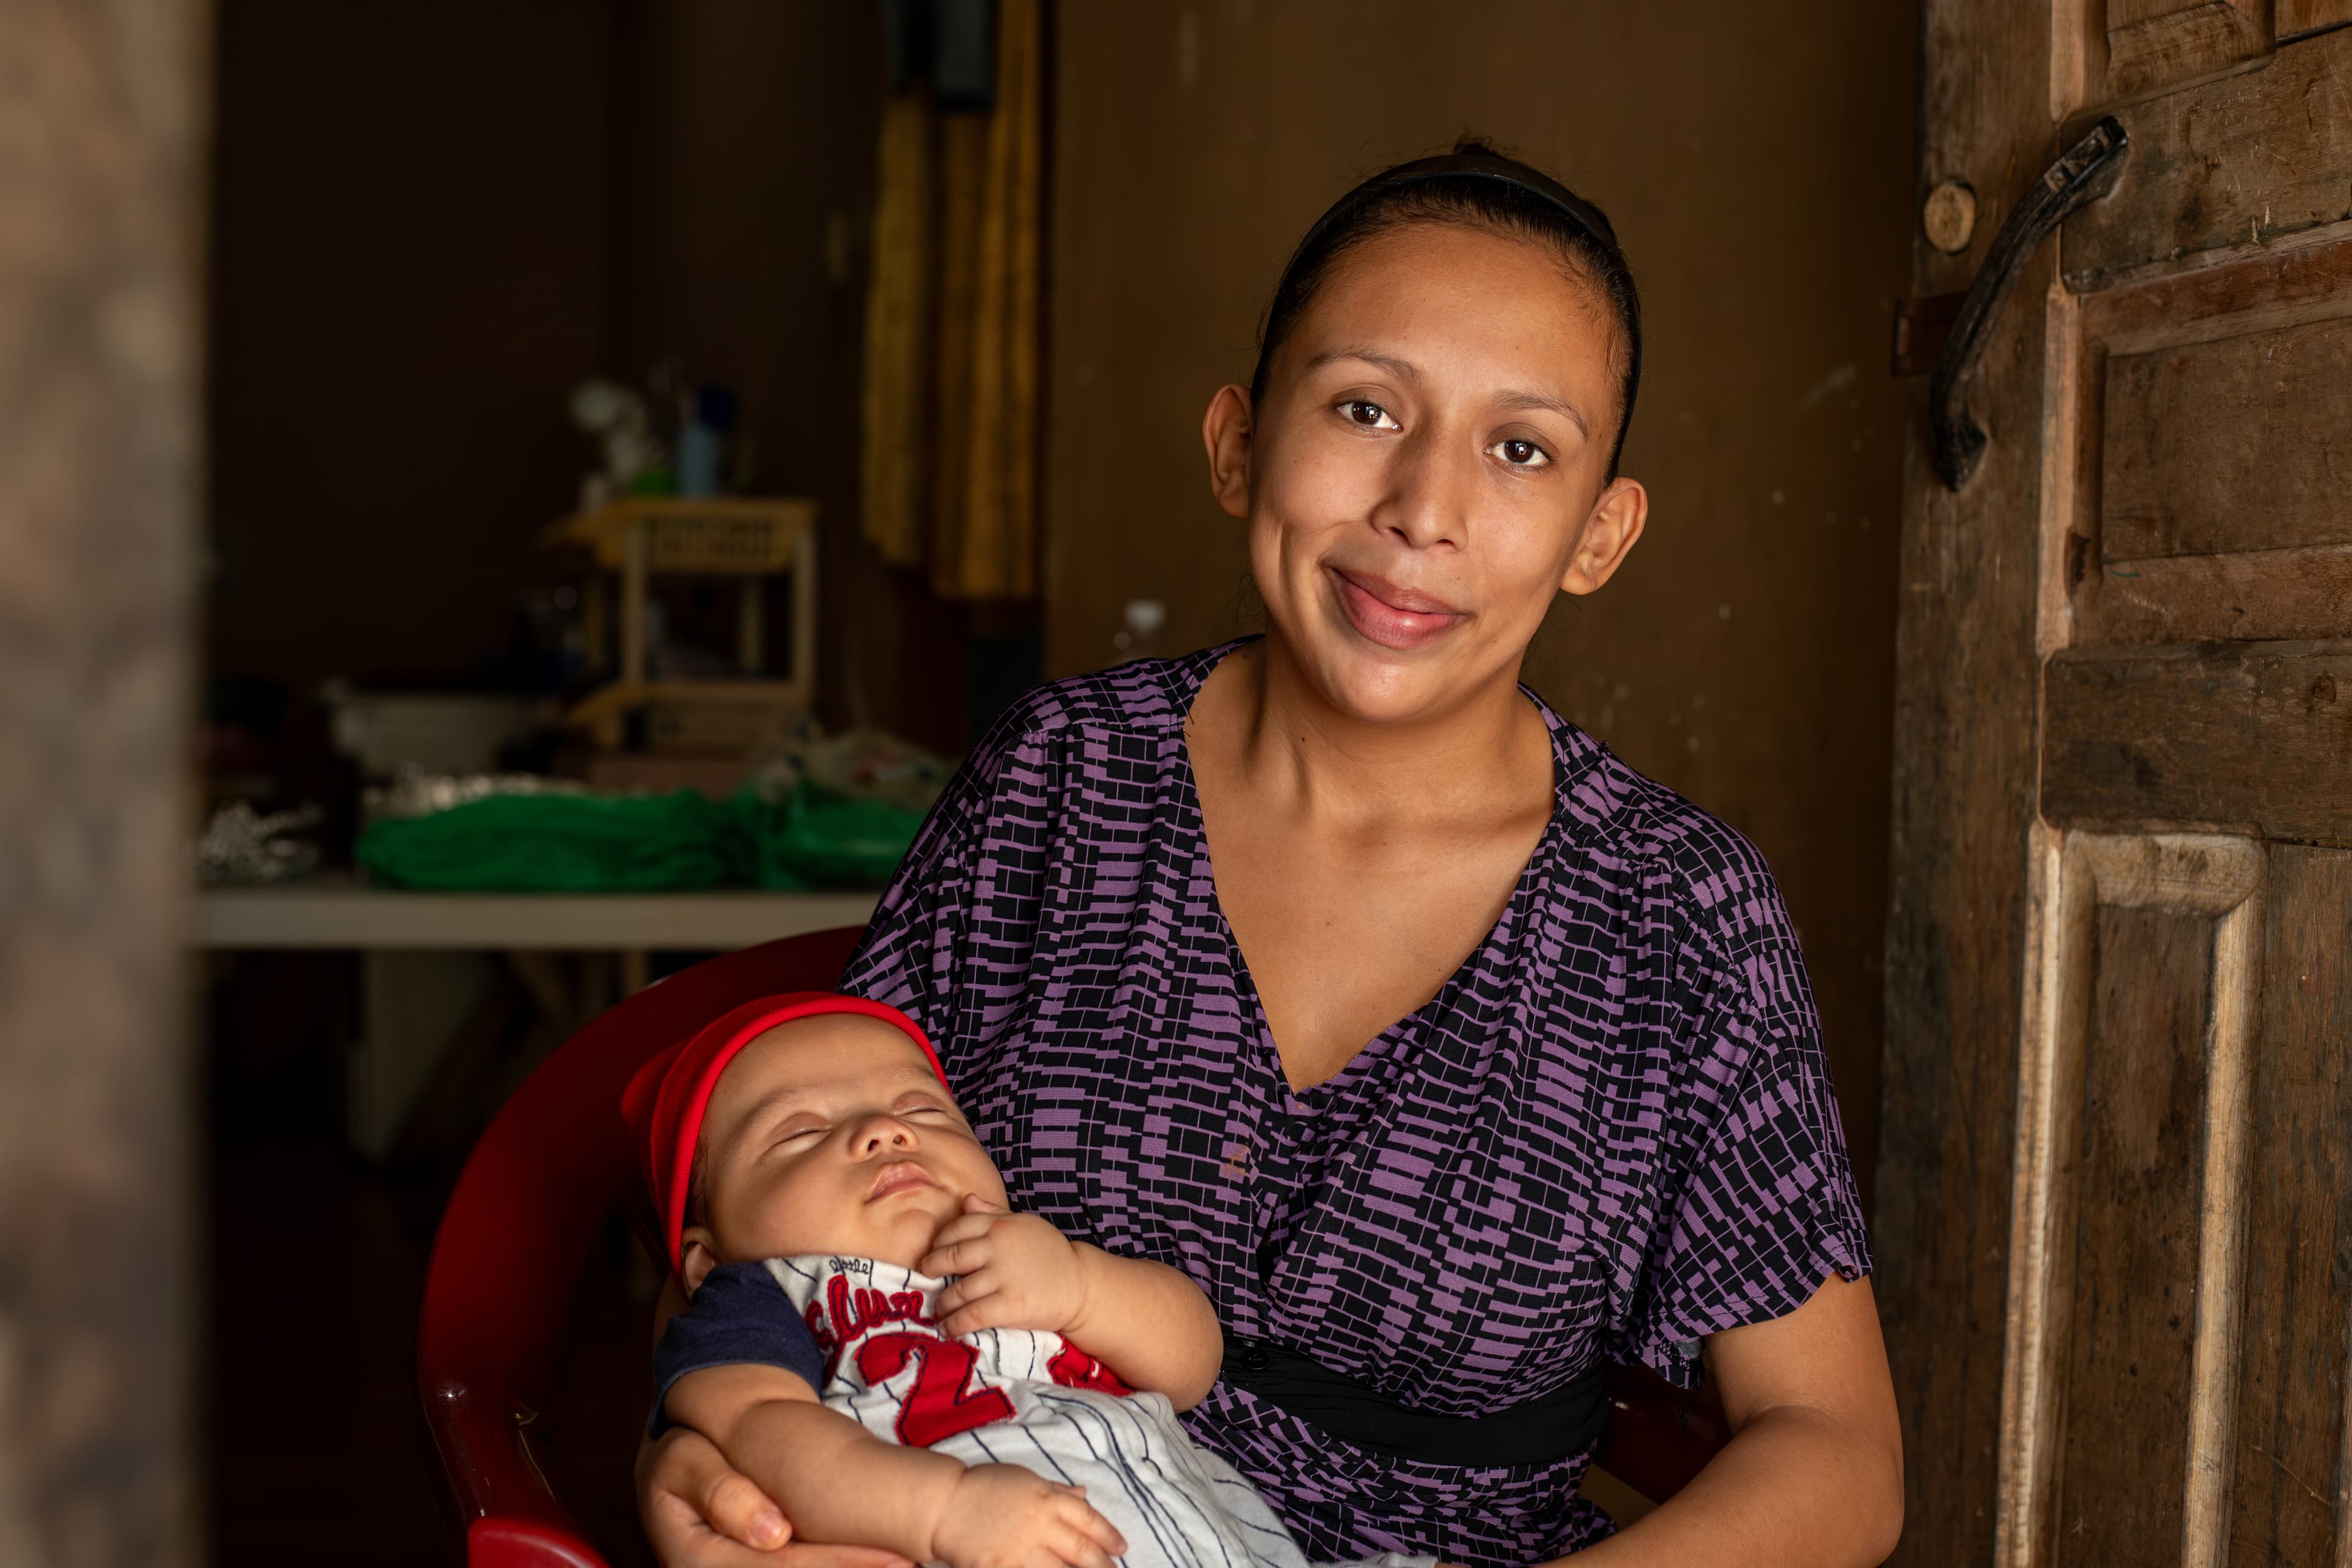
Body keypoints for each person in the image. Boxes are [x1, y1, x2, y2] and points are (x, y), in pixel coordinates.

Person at [639, 141, 1903, 1567]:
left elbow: (1838, 1455)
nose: (1424, 507)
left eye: (1520, 447)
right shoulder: (1059, 778)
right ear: (1240, 443)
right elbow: (776, 1226)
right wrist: (714, 1460)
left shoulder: (1676, 914)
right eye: (1365, 407)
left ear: (1599, 533)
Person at [625, 990, 1433, 1568]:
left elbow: (1193, 1366)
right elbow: (759, 1430)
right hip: (979, 1537)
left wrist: (1083, 1284)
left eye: (927, 1110)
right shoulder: (770, 1292)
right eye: (801, 1132)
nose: (885, 1131)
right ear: (705, 1257)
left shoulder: (1023, 1255)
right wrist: (940, 1511)